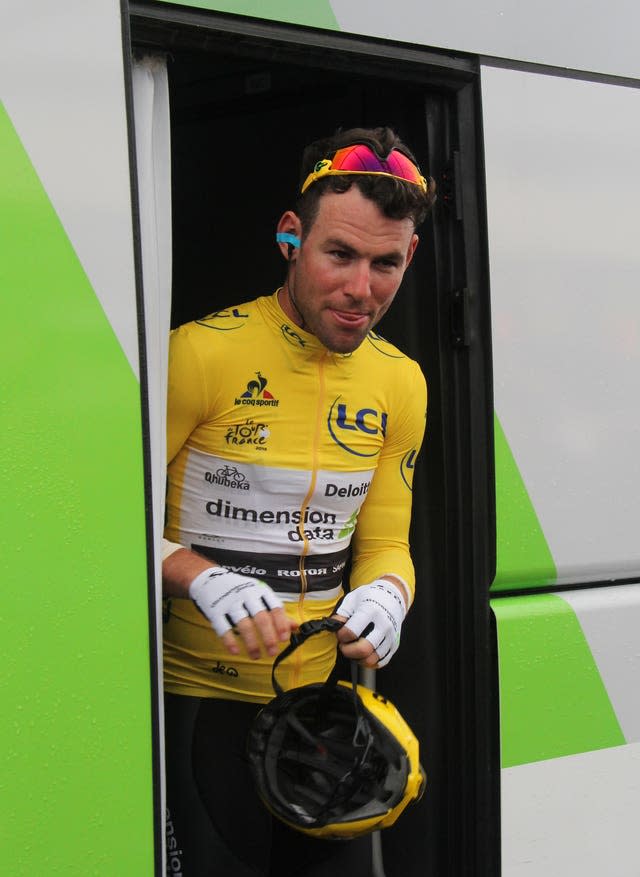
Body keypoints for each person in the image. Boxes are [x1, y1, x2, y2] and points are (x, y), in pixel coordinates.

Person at [162, 126, 436, 876]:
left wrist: (389, 593)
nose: (361, 289)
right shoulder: (197, 354)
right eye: (339, 254)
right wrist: (196, 573)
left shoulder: (401, 381)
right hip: (200, 709)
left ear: (409, 257)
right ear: (291, 237)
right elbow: (94, 522)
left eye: (385, 263)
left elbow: (386, 540)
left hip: (326, 715)